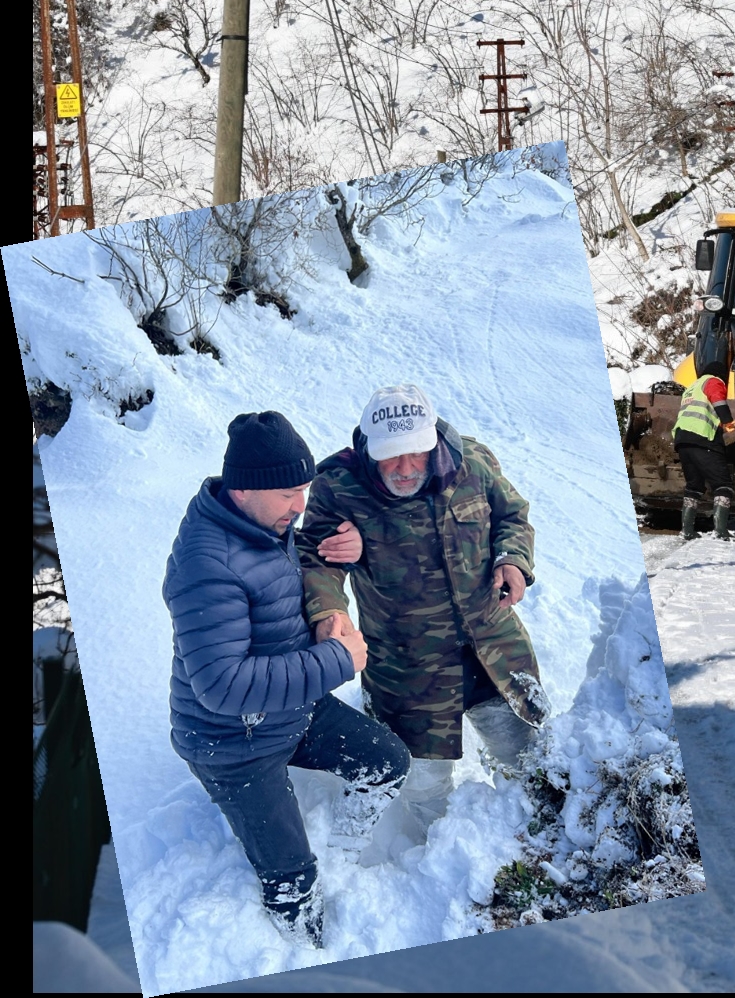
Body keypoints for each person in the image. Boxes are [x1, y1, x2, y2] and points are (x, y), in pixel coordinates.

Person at [163, 412, 409, 949]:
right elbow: (221, 686)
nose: (299, 506)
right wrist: (339, 661)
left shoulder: (259, 520)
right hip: (233, 744)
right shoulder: (207, 566)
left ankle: (343, 844)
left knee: (388, 763)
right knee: (292, 883)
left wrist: (327, 601)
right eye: (288, 495)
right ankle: (305, 953)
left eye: (304, 490)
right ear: (244, 488)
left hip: (293, 709)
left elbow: (282, 575)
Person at [296, 384, 546, 838]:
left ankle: (536, 834)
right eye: (391, 456)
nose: (405, 468)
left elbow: (513, 516)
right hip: (408, 670)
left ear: (433, 441)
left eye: (416, 454)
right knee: (424, 784)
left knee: (524, 756)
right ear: (369, 447)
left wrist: (512, 559)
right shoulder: (339, 486)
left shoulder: (474, 463)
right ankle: (444, 852)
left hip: (494, 652)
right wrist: (330, 611)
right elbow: (313, 556)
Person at [671, 361, 735, 539]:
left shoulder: (692, 387)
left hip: (682, 441)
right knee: (723, 484)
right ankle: (720, 531)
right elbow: (717, 399)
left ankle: (686, 530)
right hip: (702, 439)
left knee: (694, 486)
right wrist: (727, 420)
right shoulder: (713, 381)